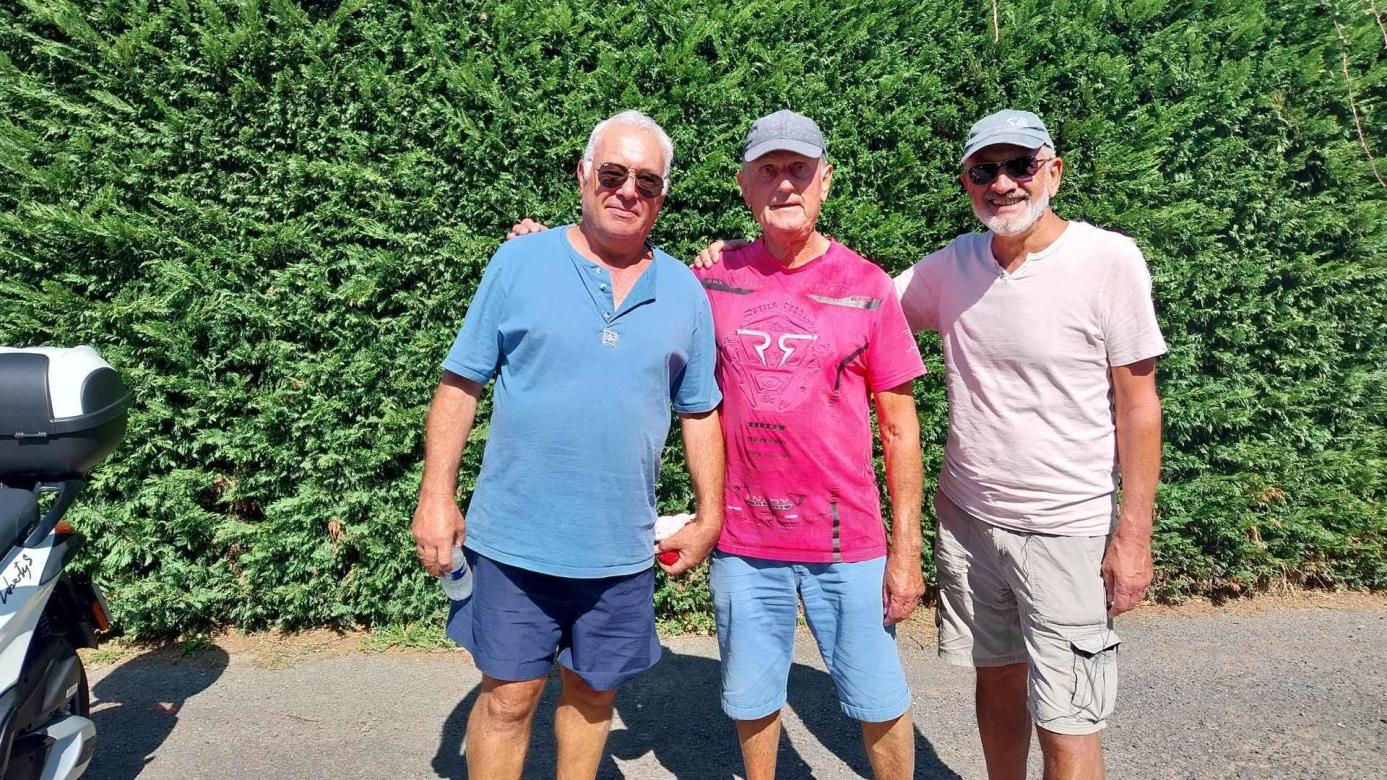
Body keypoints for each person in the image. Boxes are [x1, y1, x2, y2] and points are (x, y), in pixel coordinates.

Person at [699, 107, 1165, 780]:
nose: (1002, 183)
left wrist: (1134, 532)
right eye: (984, 171)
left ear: (1053, 172)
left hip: (1065, 523)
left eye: (1019, 166)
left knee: (1067, 715)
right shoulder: (953, 266)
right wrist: (717, 258)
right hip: (971, 519)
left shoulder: (1108, 260)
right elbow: (843, 311)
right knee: (996, 683)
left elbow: (1139, 405)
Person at [509, 109, 928, 780]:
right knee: (752, 700)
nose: (784, 184)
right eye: (769, 170)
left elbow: (901, 430)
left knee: (878, 699)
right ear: (743, 185)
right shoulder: (710, 277)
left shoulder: (868, 286)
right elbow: (622, 285)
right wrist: (548, 249)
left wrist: (906, 551)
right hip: (744, 539)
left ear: (825, 181)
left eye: (799, 170)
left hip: (845, 540)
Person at [411, 110, 726, 780]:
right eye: (612, 174)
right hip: (514, 543)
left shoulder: (684, 291)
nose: (627, 191)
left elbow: (700, 410)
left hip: (619, 549)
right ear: (584, 175)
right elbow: (461, 383)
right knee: (508, 699)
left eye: (646, 181)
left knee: (592, 698)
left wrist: (710, 516)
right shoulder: (520, 261)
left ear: (662, 195)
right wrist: (436, 496)